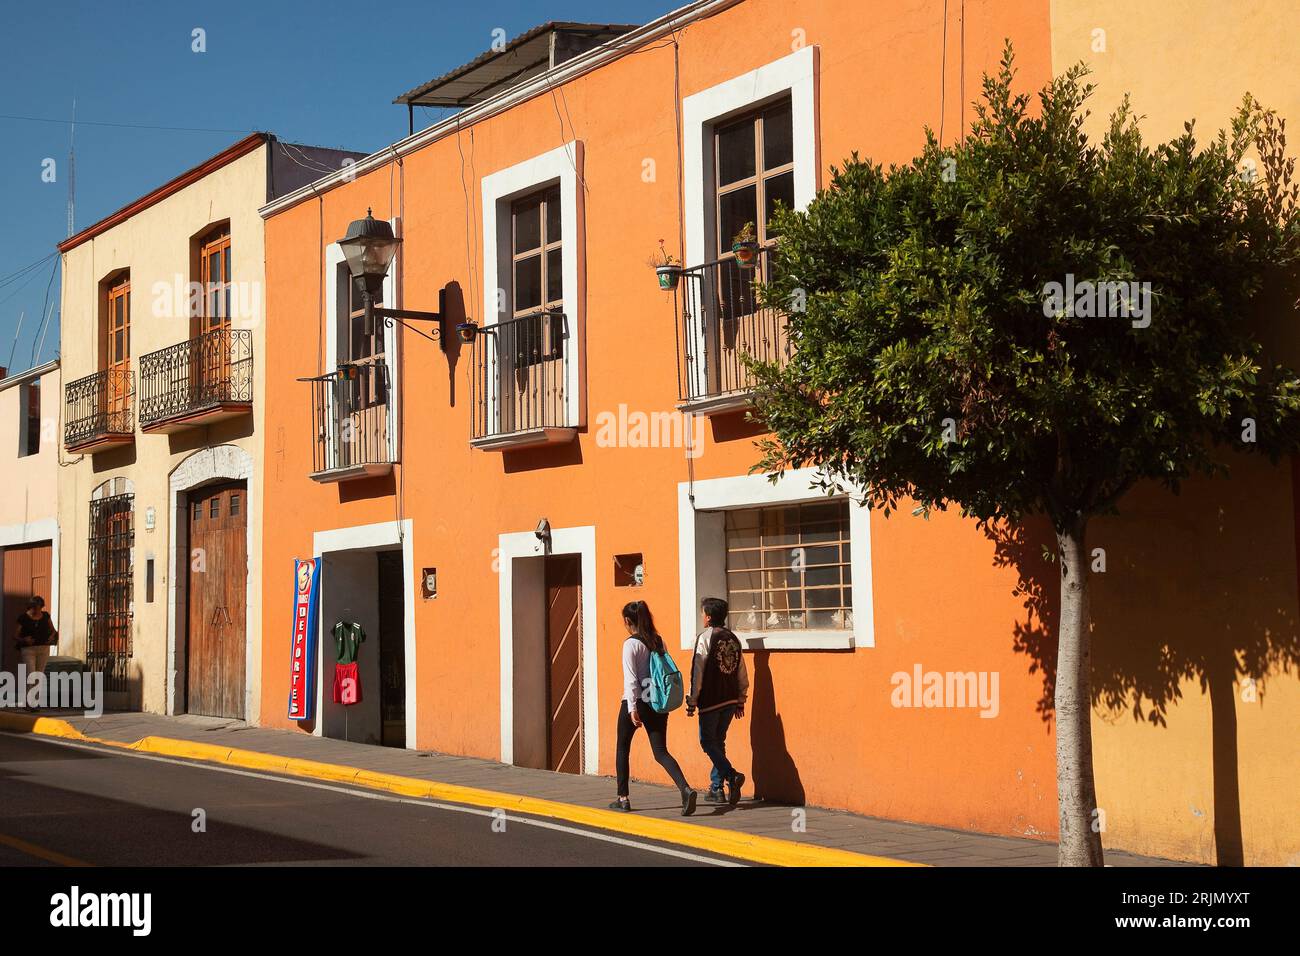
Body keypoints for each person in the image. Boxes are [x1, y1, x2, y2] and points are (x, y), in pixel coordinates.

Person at [610, 600, 697, 816]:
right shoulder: (658, 641)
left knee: (622, 747)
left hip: (637, 701)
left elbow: (630, 680)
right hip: (657, 702)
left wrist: (632, 708)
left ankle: (623, 798)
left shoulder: (630, 644)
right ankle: (685, 788)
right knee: (661, 752)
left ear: (627, 621)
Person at [687, 597, 748, 805]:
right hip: (730, 700)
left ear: (709, 617)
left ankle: (731, 775)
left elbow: (698, 671)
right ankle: (716, 788)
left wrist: (692, 700)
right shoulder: (733, 639)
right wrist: (741, 699)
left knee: (707, 742)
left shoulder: (705, 639)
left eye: (703, 613)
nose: (702, 617)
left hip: (711, 701)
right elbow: (741, 670)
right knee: (718, 742)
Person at [13, 596, 57, 711]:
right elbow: (15, 635)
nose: (38, 610)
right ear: (31, 607)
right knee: (31, 674)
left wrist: (52, 637)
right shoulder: (23, 618)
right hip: (28, 650)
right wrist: (24, 640)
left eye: (40, 608)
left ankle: (34, 702)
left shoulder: (46, 616)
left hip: (43, 648)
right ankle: (28, 702)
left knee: (39, 675)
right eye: (36, 608)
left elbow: (53, 630)